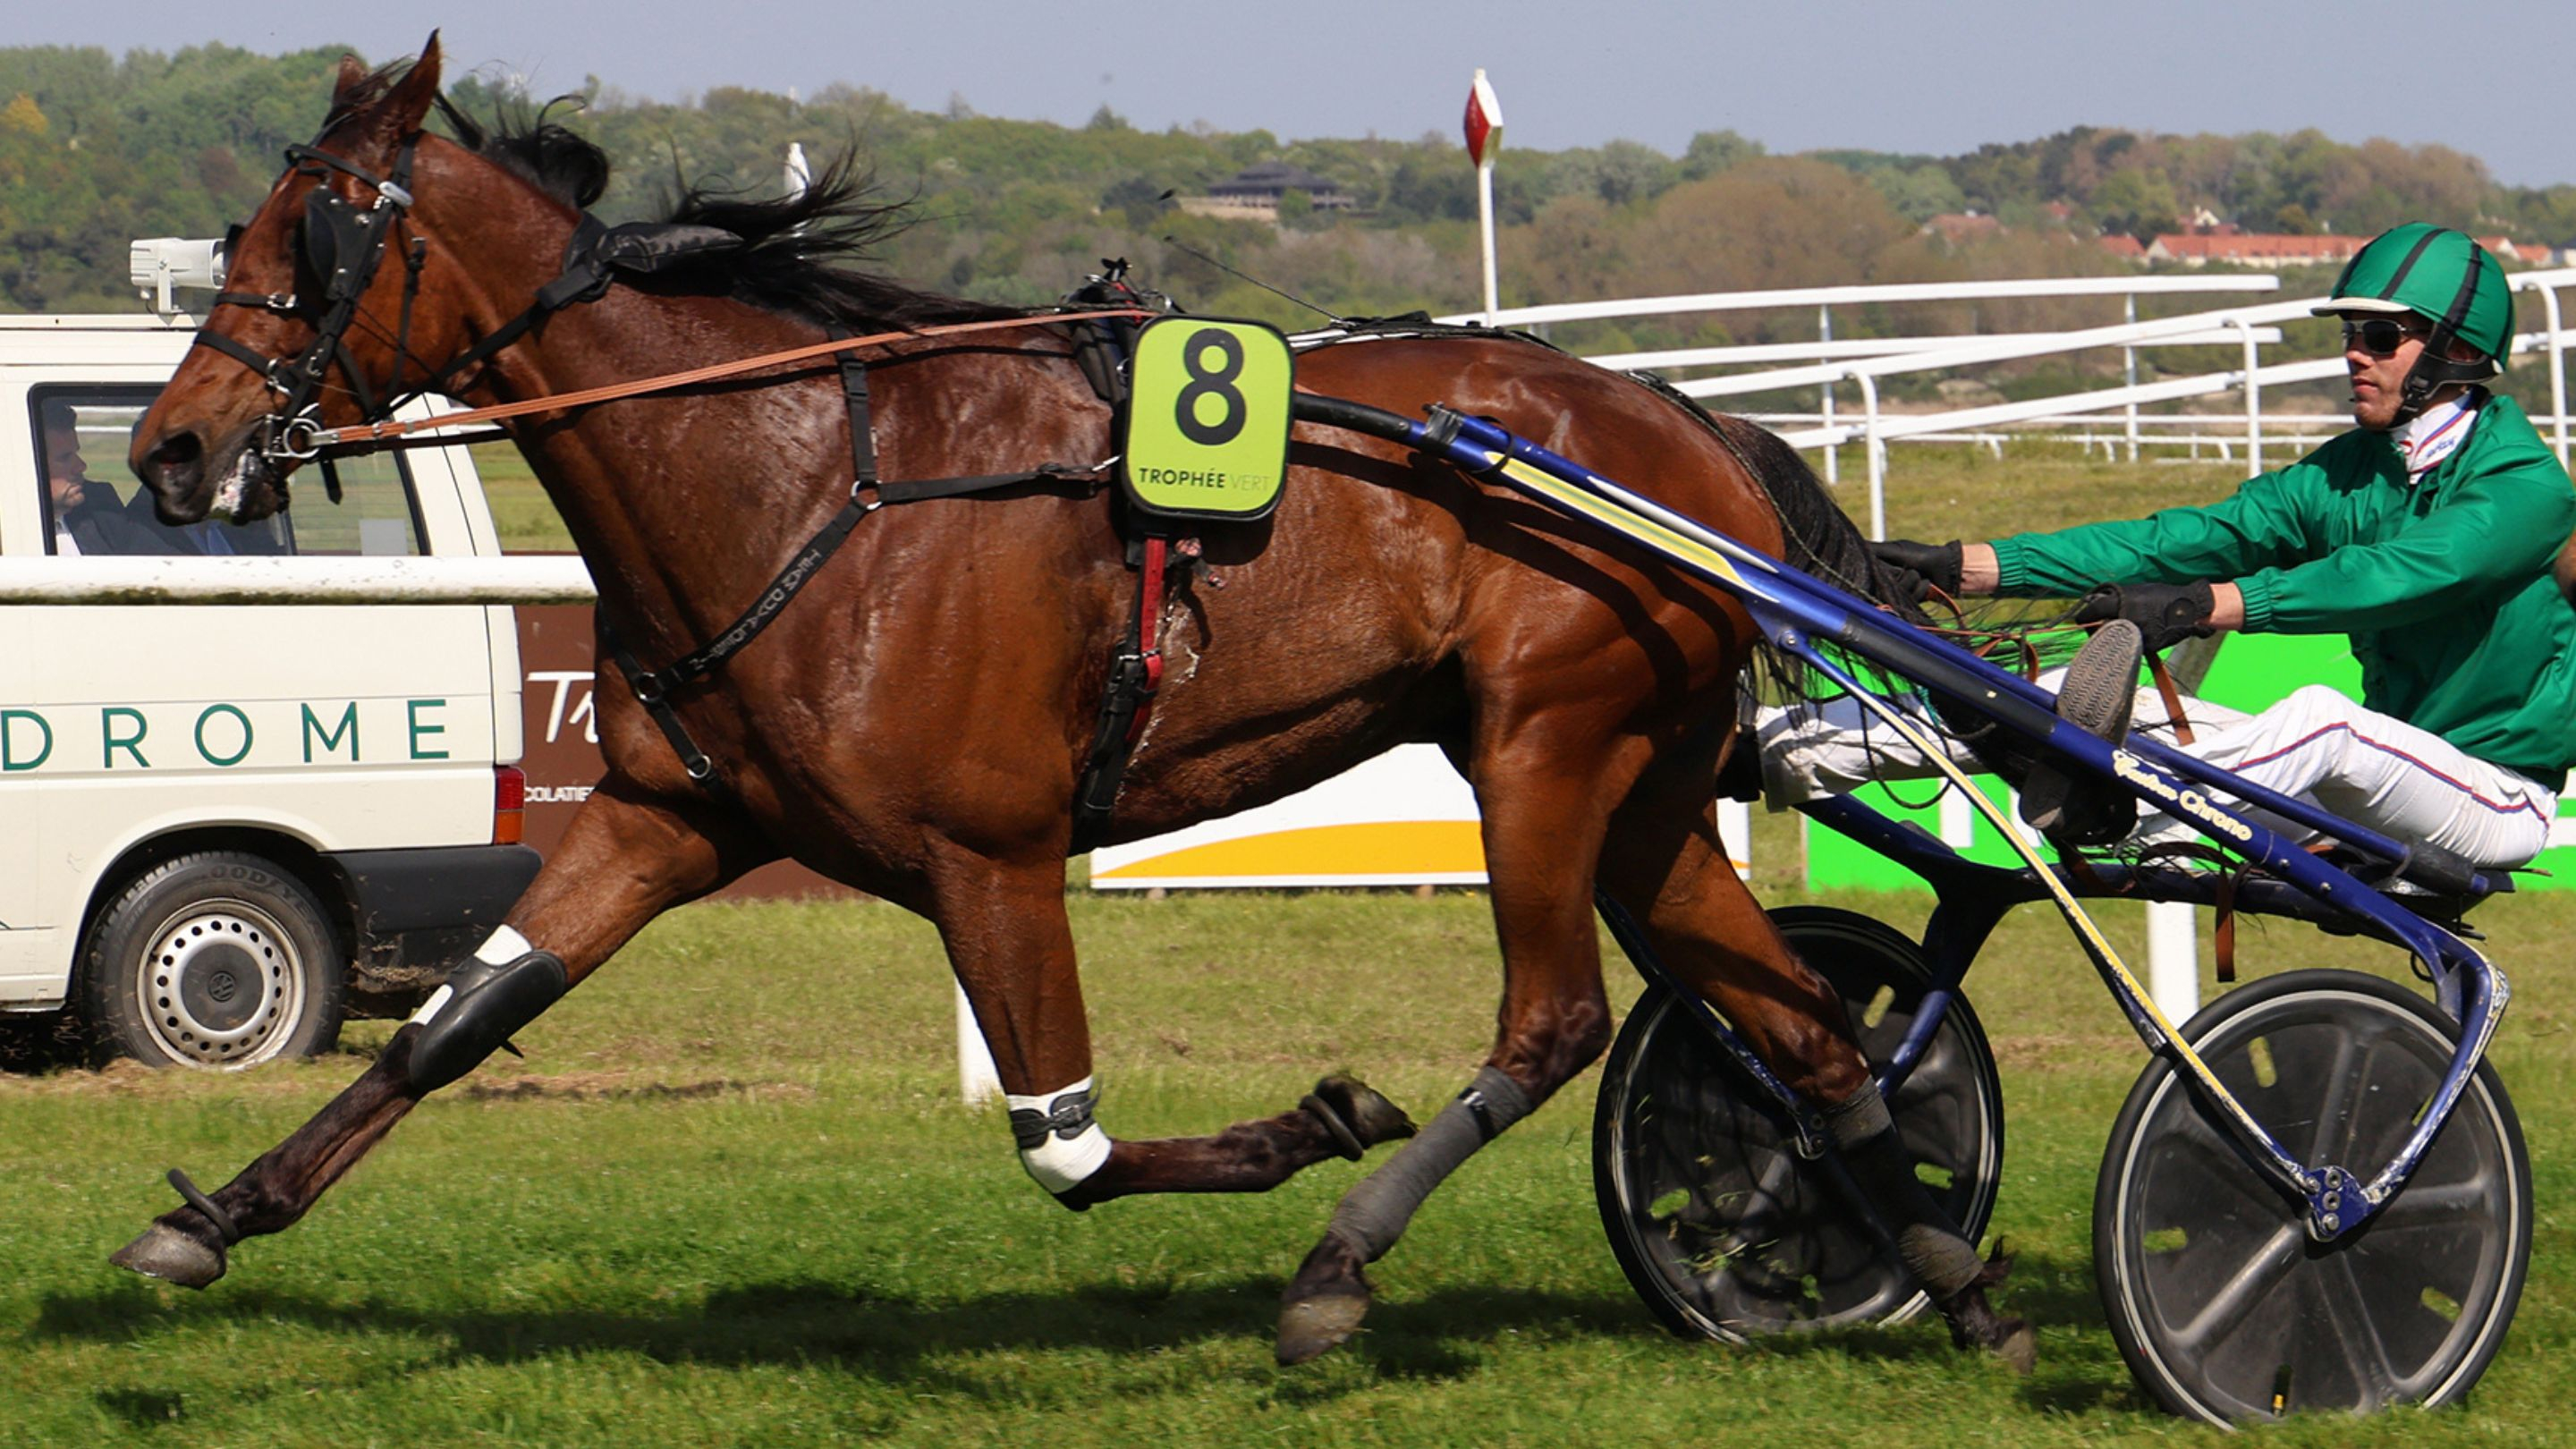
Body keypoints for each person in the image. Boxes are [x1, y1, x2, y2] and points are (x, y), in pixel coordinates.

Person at [1764, 224, 2576, 870]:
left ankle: (2114, 808)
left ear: (2458, 353)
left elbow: (2402, 576)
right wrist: (1975, 566)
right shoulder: (2350, 472)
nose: (2354, 350)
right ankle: (1775, 748)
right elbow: (2185, 539)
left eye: (2381, 334)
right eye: (2351, 332)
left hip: (2493, 796)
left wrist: (2210, 606)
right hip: (2367, 792)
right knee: (2055, 684)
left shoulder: (2528, 488)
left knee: (2327, 723)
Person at [43, 405, 202, 556]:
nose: (81, 466)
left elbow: (162, 562)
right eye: (64, 458)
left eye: (76, 454)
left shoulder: (97, 506)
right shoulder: (18, 532)